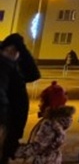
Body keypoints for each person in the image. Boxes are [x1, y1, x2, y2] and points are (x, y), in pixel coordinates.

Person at [0, 33, 41, 164]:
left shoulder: (12, 66)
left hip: (12, 122)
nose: (15, 54)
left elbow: (33, 74)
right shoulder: (2, 66)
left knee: (5, 153)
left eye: (17, 51)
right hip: (5, 120)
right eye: (12, 50)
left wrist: (22, 49)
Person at [15, 81, 76, 164]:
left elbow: (38, 147)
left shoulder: (49, 124)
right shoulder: (58, 120)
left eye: (42, 101)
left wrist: (14, 150)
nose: (39, 105)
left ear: (49, 103)